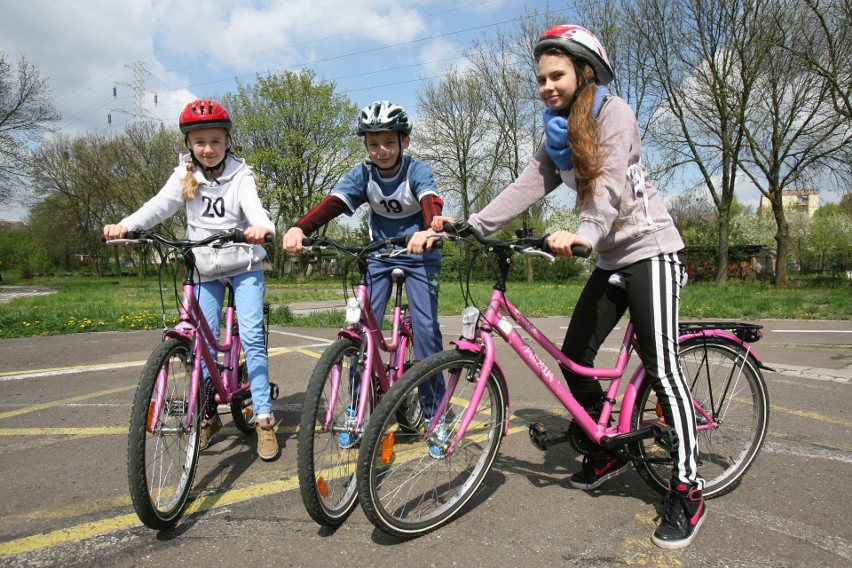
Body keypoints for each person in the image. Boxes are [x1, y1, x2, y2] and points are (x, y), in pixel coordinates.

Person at [431, 25, 705, 548]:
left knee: (662, 366)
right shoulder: (557, 130)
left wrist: (582, 234)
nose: (546, 86)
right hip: (608, 257)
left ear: (585, 72)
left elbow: (607, 185)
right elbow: (528, 184)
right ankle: (605, 450)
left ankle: (689, 490)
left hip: (651, 250)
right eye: (540, 79)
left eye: (556, 75)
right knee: (574, 357)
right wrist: (474, 225)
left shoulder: (613, 112)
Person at [103, 99, 279, 460]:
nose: (208, 149)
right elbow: (158, 206)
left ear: (227, 141)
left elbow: (254, 206)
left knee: (251, 337)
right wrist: (127, 226)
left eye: (215, 141)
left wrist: (262, 228)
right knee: (203, 344)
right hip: (203, 269)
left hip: (243, 265)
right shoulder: (184, 175)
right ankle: (208, 414)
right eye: (200, 142)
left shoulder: (241, 174)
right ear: (189, 144)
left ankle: (263, 418)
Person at [282, 100, 446, 456]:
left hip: (421, 256)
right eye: (373, 143)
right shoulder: (363, 174)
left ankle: (436, 416)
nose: (382, 150)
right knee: (361, 335)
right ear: (365, 146)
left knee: (426, 331)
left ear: (405, 141)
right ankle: (356, 413)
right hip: (380, 257)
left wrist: (433, 225)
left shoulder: (416, 170)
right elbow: (333, 204)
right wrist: (299, 228)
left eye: (389, 142)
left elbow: (430, 198)